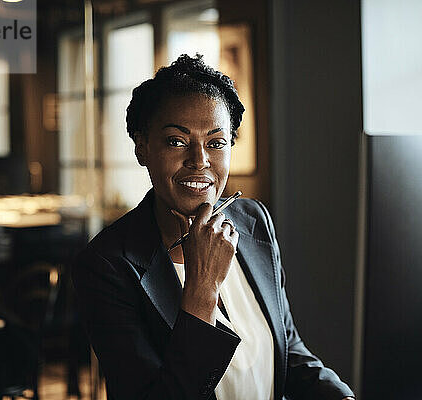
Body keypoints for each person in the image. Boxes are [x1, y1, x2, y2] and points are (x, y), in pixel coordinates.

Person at [71, 54, 354, 400]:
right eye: (177, 140)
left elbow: (289, 350)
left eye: (216, 143)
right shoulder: (106, 265)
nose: (199, 160)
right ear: (142, 148)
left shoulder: (253, 221)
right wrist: (202, 288)